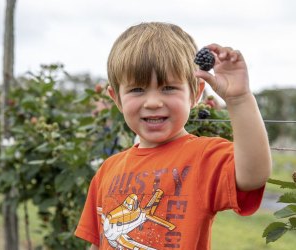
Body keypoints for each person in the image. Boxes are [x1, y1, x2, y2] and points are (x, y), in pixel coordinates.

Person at [75, 22, 272, 250]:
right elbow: (100, 241)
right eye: (137, 90)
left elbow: (254, 175)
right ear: (116, 98)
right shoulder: (107, 170)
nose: (153, 102)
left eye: (168, 88)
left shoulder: (203, 157)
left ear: (196, 93)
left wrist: (239, 99)